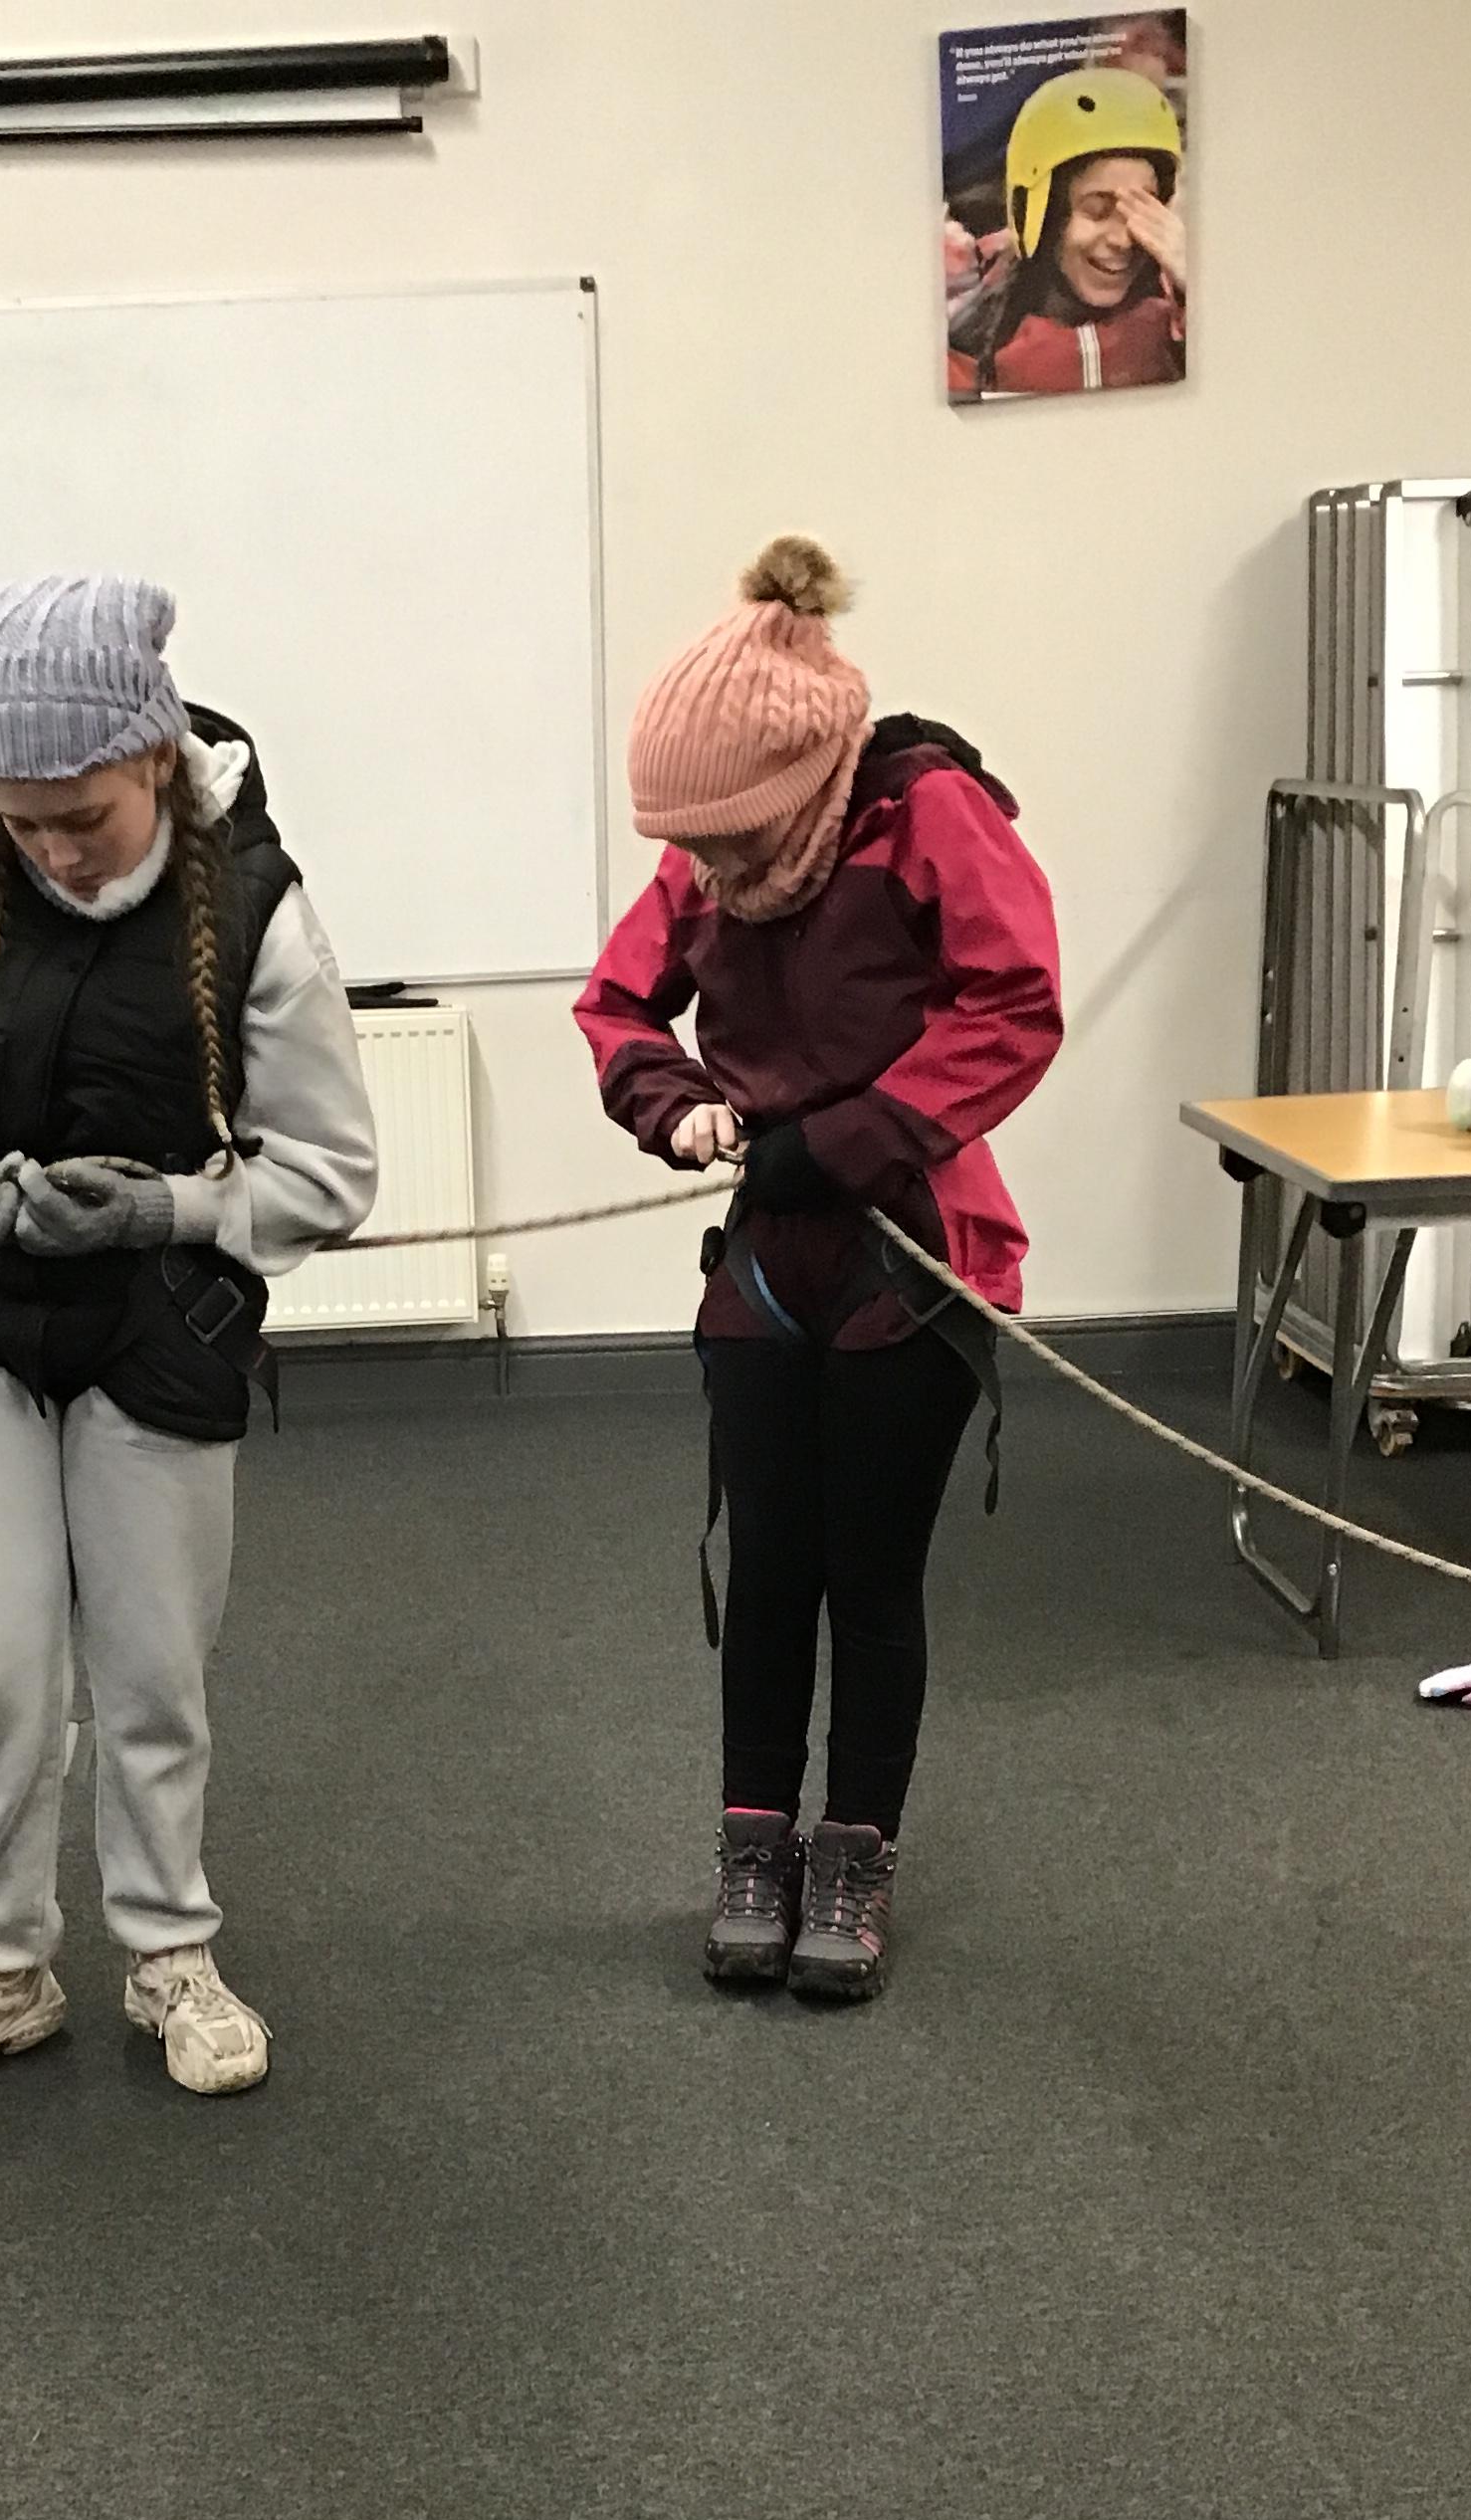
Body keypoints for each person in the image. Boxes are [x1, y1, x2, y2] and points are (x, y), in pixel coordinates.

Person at [0, 574, 377, 2118]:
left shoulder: (254, 903)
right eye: (21, 819)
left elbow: (334, 1169)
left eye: (84, 816)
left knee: (152, 1670)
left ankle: (170, 1950)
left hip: (158, 1318)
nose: (53, 849)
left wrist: (173, 1207)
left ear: (155, 756)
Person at [576, 537, 1062, 2002]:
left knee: (871, 1574)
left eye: (730, 846)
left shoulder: (924, 812)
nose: (709, 875)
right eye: (693, 850)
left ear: (803, 784)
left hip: (912, 1245)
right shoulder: (713, 843)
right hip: (768, 1261)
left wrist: (849, 1139)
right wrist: (677, 1104)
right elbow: (617, 1004)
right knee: (771, 1564)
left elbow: (1015, 1002)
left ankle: (854, 1853)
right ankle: (753, 1847)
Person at [947, 65, 1186, 400]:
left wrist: (1200, 291)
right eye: (1097, 210)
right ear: (1043, 216)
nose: (1123, 240)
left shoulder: (1175, 314)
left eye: (1143, 211)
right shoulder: (974, 339)